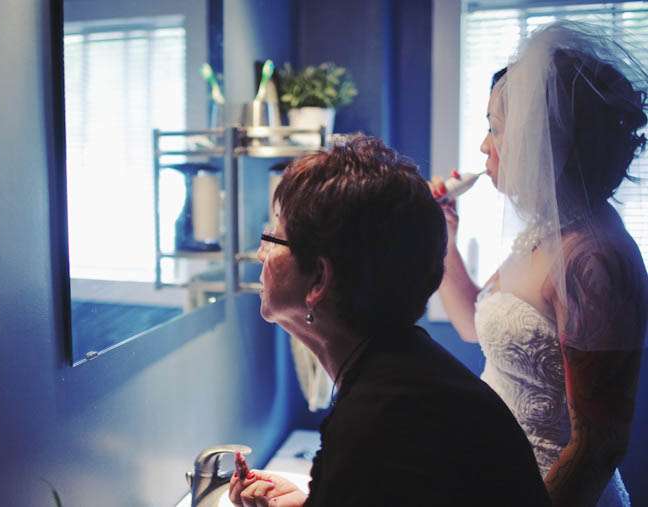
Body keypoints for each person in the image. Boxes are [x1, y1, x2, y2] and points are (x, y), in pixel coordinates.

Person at [229, 136, 551, 506]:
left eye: (274, 238)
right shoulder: (410, 378)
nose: (261, 254)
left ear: (318, 279)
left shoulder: (381, 420)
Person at [432, 21, 648, 506]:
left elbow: (598, 446)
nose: (485, 146)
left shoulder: (593, 258)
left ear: (541, 140)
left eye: (494, 129)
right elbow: (470, 324)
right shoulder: (548, 232)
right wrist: (444, 237)